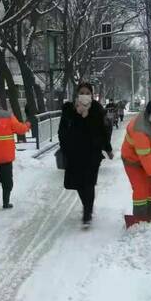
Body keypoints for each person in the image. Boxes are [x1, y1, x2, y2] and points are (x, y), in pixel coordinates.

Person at [58, 81, 114, 225]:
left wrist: (108, 149)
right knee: (78, 183)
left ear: (92, 95)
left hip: (92, 153)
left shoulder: (97, 109)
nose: (84, 96)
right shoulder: (69, 109)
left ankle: (87, 211)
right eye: (82, 93)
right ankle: (86, 205)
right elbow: (62, 131)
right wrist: (64, 147)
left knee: (88, 182)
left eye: (87, 93)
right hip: (74, 153)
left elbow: (104, 131)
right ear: (77, 94)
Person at [121, 98, 151, 218]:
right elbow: (144, 155)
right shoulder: (140, 129)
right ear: (148, 113)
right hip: (133, 162)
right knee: (141, 189)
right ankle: (140, 219)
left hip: (150, 160)